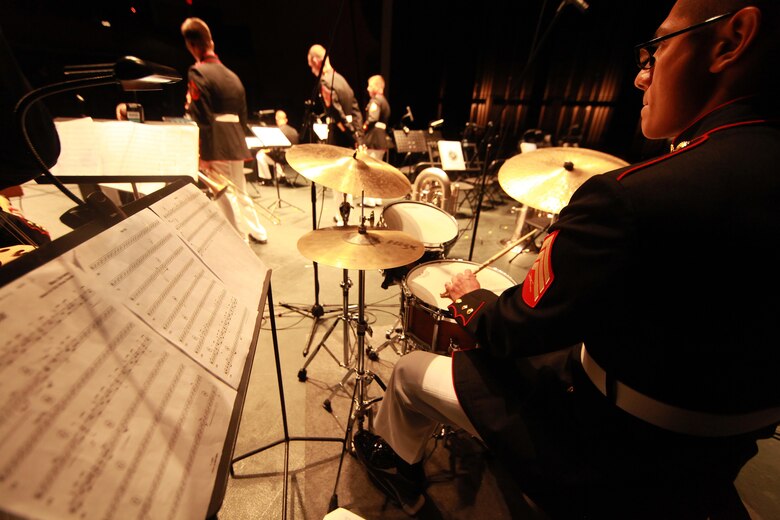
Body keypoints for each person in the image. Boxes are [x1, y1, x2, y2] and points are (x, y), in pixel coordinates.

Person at [354, 1, 780, 518]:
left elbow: (515, 330)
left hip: (606, 455)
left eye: (658, 48)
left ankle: (397, 468)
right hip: (718, 459)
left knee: (409, 372)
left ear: (732, 40)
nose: (642, 78)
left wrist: (475, 301)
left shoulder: (630, 199)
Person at [181, 17, 267, 244]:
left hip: (216, 142)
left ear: (192, 45)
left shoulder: (198, 73)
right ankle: (257, 231)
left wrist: (204, 154)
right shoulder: (233, 76)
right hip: (236, 140)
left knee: (225, 195)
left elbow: (203, 117)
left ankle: (240, 241)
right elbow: (243, 115)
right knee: (240, 190)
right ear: (211, 42)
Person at [306, 44, 363, 149]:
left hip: (338, 134)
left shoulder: (324, 81)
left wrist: (350, 133)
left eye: (311, 66)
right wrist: (358, 135)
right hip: (349, 135)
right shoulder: (342, 80)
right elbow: (356, 110)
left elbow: (336, 112)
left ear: (315, 61)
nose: (312, 70)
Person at [360, 74, 391, 207]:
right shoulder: (385, 101)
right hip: (381, 139)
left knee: (368, 169)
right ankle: (377, 197)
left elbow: (372, 118)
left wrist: (363, 127)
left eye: (370, 85)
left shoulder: (375, 101)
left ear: (377, 87)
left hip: (373, 138)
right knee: (377, 170)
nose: (367, 88)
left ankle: (369, 200)